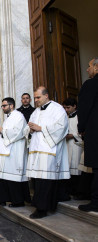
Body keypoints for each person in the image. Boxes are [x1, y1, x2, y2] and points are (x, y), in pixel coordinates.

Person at [25, 86, 70, 219]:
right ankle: (39, 204)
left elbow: (62, 127)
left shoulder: (57, 109)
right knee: (38, 179)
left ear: (46, 96)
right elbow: (28, 127)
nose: (36, 100)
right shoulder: (35, 111)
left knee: (46, 180)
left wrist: (41, 128)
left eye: (38, 97)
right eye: (35, 98)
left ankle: (42, 208)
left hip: (49, 149)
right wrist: (30, 130)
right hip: (36, 149)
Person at [0, 97, 30, 208]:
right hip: (5, 151)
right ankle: (1, 199)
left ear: (11, 105)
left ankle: (18, 201)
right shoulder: (9, 117)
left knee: (12, 177)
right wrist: (0, 133)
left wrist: (2, 130)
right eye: (2, 106)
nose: (3, 108)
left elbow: (18, 133)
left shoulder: (18, 116)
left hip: (14, 152)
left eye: (4, 105)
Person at [77, 57, 98, 212]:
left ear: (96, 68)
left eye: (89, 66)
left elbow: (84, 108)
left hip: (95, 131)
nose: (87, 69)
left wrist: (81, 128)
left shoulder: (91, 84)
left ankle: (96, 202)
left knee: (97, 168)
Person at [62, 98, 82, 196]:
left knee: (77, 169)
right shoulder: (65, 117)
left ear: (75, 106)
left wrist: (73, 135)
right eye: (64, 108)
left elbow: (82, 131)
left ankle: (78, 191)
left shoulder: (80, 116)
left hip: (77, 146)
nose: (66, 110)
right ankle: (69, 190)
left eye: (68, 107)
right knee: (68, 169)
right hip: (67, 146)